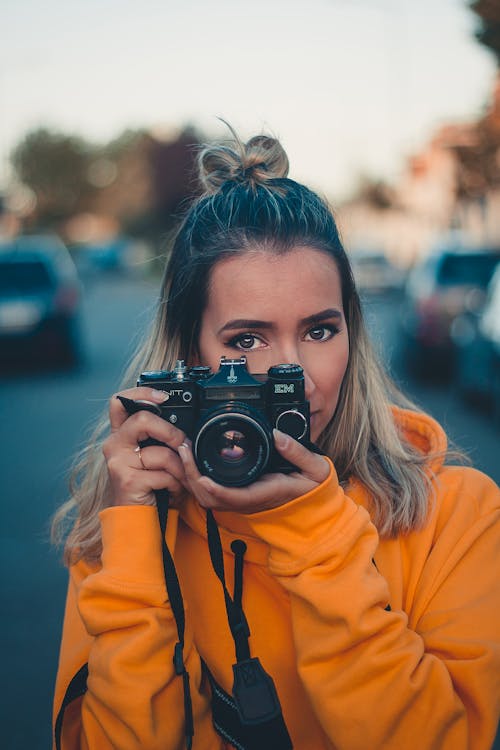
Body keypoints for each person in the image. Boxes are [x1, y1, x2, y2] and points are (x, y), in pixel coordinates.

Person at [52, 128, 500, 750]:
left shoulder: (455, 512)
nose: (296, 378)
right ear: (189, 357)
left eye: (319, 332)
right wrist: (133, 542)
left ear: (353, 334)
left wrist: (318, 536)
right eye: (246, 341)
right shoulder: (126, 527)